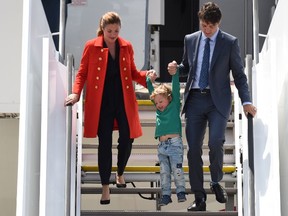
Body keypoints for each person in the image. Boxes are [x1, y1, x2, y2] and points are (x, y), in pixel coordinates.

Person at [167, 2, 257, 211]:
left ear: (218, 23)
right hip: (195, 100)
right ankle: (199, 197)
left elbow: (240, 76)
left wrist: (246, 101)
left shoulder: (229, 42)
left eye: (211, 27)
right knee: (193, 151)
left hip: (218, 101)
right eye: (204, 25)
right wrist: (175, 69)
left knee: (216, 142)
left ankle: (216, 181)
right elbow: (186, 68)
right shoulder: (190, 40)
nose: (207, 30)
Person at [65, 11, 154, 205]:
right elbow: (82, 73)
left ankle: (120, 172)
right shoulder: (91, 46)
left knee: (128, 138)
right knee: (104, 143)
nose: (113, 34)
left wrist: (148, 76)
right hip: (101, 101)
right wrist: (75, 93)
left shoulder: (126, 46)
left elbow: (133, 73)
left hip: (123, 98)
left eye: (116, 30)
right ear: (102, 29)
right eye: (109, 30)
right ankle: (105, 188)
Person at [146, 70, 186, 206]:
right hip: (162, 147)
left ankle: (181, 191)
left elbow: (175, 87)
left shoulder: (174, 106)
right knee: (164, 172)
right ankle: (166, 194)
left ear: (169, 98)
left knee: (177, 170)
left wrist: (175, 74)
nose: (158, 105)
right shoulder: (158, 111)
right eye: (156, 103)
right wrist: (148, 80)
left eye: (161, 101)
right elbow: (151, 91)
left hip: (174, 144)